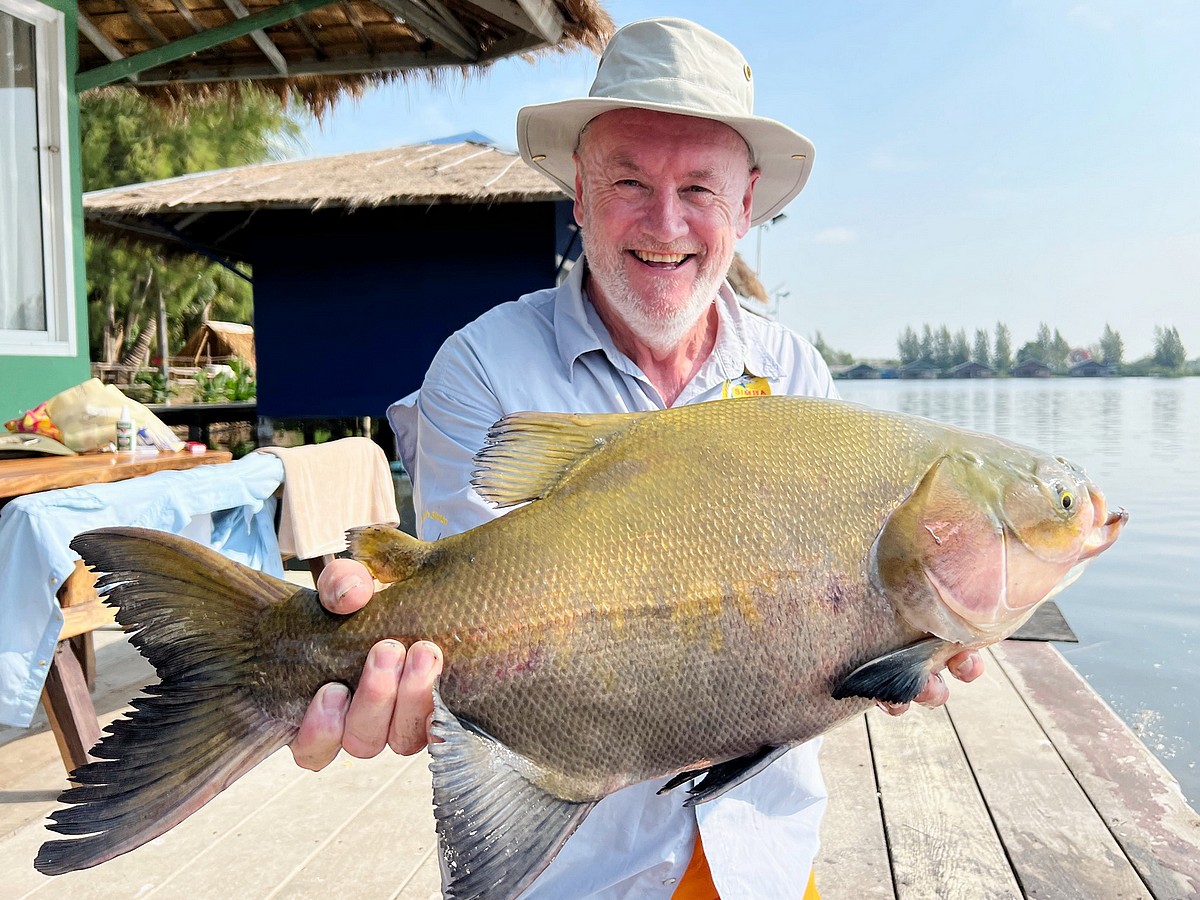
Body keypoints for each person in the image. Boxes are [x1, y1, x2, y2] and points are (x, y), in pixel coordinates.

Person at [289, 17, 983, 898]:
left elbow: (843, 602)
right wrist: (385, 659)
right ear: (578, 191)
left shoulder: (796, 373)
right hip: (566, 871)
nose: (665, 223)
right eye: (627, 180)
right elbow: (470, 618)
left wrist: (900, 643)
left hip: (760, 862)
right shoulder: (481, 366)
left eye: (700, 188)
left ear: (745, 204)